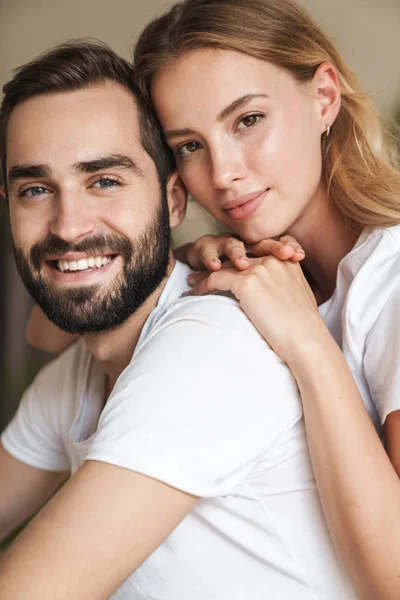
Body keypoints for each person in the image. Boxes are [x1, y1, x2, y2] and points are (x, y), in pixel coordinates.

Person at [0, 41, 355, 599]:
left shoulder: (211, 347)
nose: (68, 226)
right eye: (37, 190)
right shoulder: (79, 374)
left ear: (173, 201)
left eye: (104, 180)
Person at [133, 1, 400, 598]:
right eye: (189, 146)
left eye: (247, 120)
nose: (223, 172)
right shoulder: (261, 273)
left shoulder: (392, 283)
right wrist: (178, 261)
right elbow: (49, 331)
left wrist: (305, 339)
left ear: (323, 97)